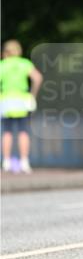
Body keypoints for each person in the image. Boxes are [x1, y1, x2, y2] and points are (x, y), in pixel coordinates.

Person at [0, 40, 42, 174]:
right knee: (23, 131)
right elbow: (38, 78)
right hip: (22, 100)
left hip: (6, 100)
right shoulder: (24, 63)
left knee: (7, 132)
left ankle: (6, 162)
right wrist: (32, 95)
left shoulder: (3, 65)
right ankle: (24, 162)